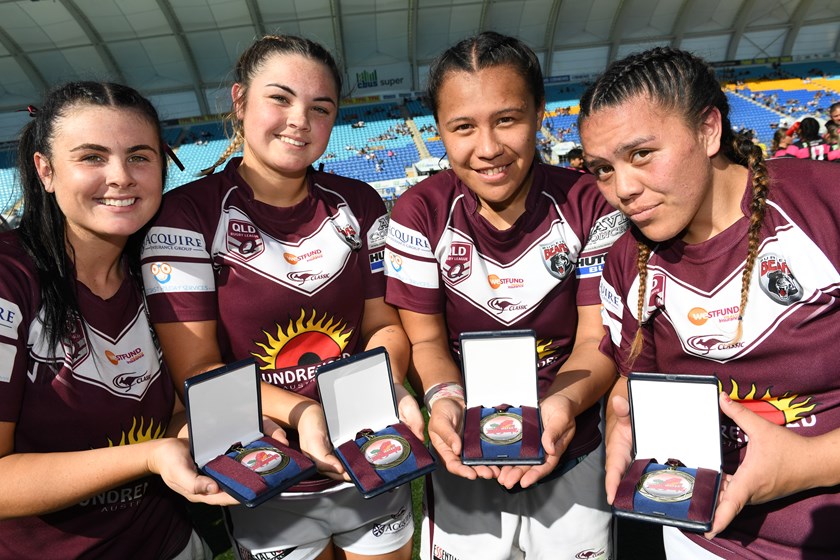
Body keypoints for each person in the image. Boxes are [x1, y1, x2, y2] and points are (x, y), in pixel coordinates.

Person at [140, 35, 422, 560]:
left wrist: (382, 382)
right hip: (267, 473)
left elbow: (384, 323)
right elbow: (196, 369)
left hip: (371, 450)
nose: (300, 120)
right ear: (240, 101)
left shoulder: (359, 203)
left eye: (320, 108)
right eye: (280, 98)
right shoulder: (185, 217)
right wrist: (303, 414)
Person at [578, 46, 840, 559]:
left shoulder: (826, 206)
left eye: (641, 154)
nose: (622, 189)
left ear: (709, 130)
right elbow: (637, 379)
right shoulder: (624, 263)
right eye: (602, 169)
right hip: (706, 540)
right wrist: (623, 411)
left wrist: (809, 462)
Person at [384, 31, 626, 560]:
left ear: (540, 113)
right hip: (465, 455)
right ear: (439, 131)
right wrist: (446, 403)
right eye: (463, 127)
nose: (488, 147)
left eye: (507, 119)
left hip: (575, 446)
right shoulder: (416, 212)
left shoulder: (591, 203)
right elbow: (425, 342)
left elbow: (596, 338)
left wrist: (558, 407)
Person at [0, 81, 237, 558]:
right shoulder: (10, 279)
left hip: (174, 543)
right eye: (91, 157)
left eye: (140, 156)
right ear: (44, 170)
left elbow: (172, 412)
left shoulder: (164, 266)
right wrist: (149, 457)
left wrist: (213, 428)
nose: (121, 176)